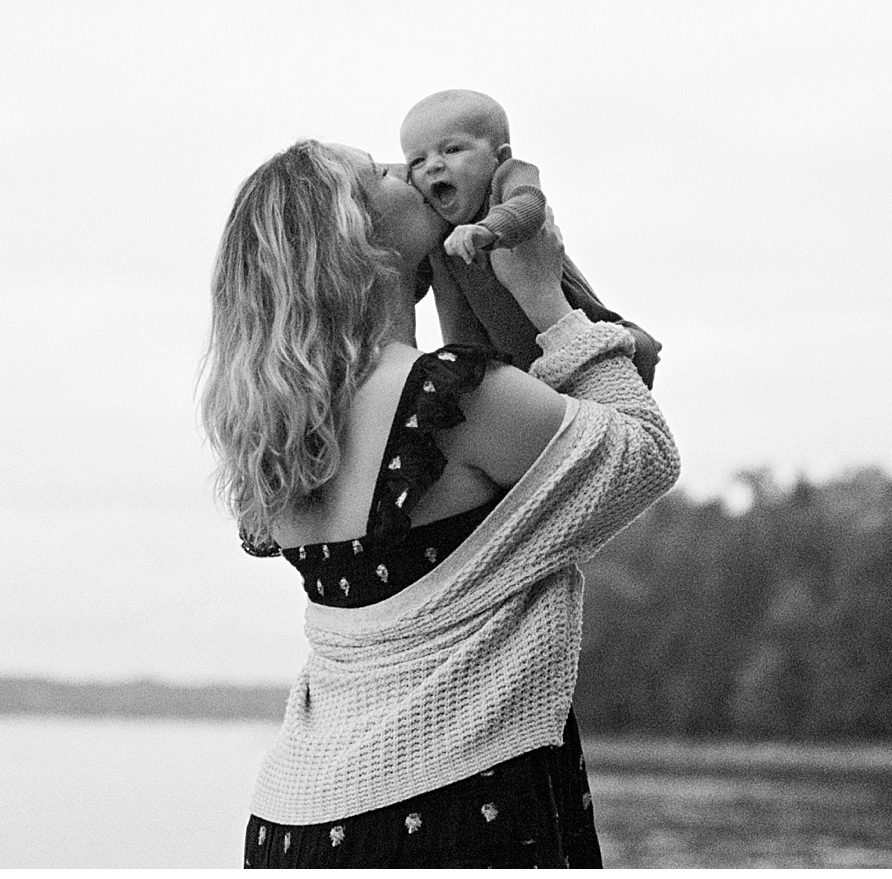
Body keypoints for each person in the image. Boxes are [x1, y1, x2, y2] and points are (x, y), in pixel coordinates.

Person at [199, 139, 678, 868]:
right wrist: (546, 294)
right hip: (460, 804)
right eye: (377, 174)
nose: (407, 171)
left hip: (294, 820)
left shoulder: (288, 429)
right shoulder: (453, 398)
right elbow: (642, 450)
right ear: (355, 240)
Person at [400, 89, 663, 387]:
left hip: (590, 331)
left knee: (632, 348)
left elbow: (529, 204)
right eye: (417, 161)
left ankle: (645, 348)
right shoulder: (437, 230)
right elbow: (406, 285)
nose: (433, 165)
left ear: (499, 157)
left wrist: (487, 230)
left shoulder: (506, 179)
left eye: (452, 150)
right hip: (524, 373)